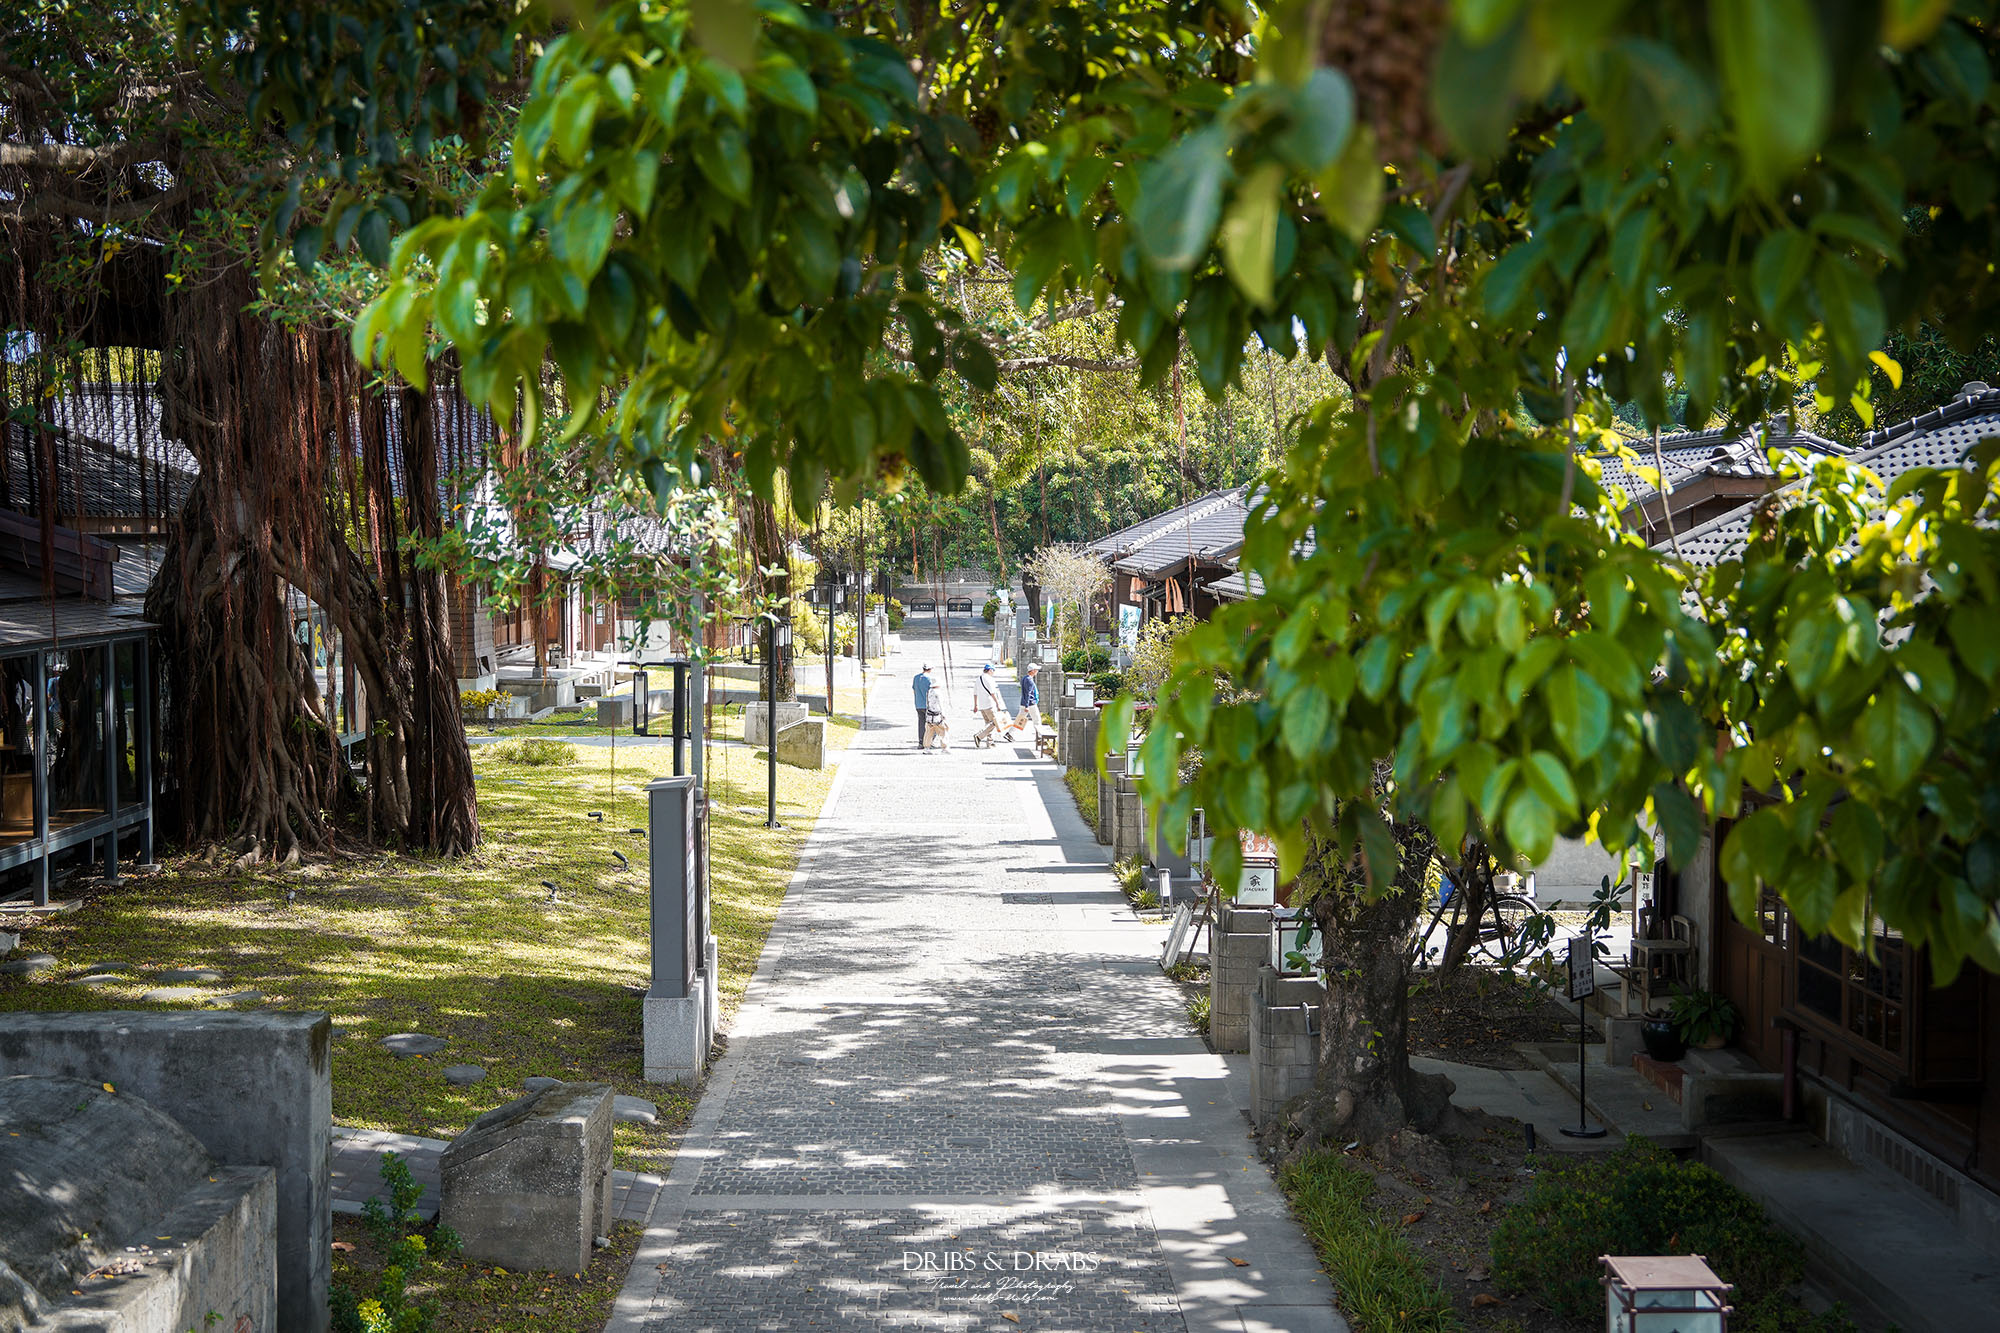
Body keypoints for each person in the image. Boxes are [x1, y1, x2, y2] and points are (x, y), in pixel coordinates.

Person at [971, 663, 1005, 747]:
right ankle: (979, 736)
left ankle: (990, 742)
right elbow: (993, 693)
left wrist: (975, 705)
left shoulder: (978, 679)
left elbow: (975, 693)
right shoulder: (990, 679)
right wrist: (998, 704)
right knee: (994, 723)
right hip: (989, 704)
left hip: (981, 705)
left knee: (988, 724)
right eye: (993, 671)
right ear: (990, 670)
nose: (993, 673)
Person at [1006, 662, 1041, 740]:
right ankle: (1040, 736)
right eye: (1036, 670)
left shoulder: (1024, 678)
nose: (1037, 671)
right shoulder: (1030, 681)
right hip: (1030, 704)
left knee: (1019, 719)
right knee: (1037, 720)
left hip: (1024, 702)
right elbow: (1028, 694)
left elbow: (1024, 693)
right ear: (1032, 671)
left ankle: (1010, 733)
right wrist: (1027, 706)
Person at [912, 663, 934, 749]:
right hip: (927, 704)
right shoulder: (929, 679)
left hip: (918, 704)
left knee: (921, 723)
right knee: (931, 724)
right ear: (930, 669)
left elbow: (914, 690)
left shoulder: (916, 678)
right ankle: (928, 741)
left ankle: (921, 741)